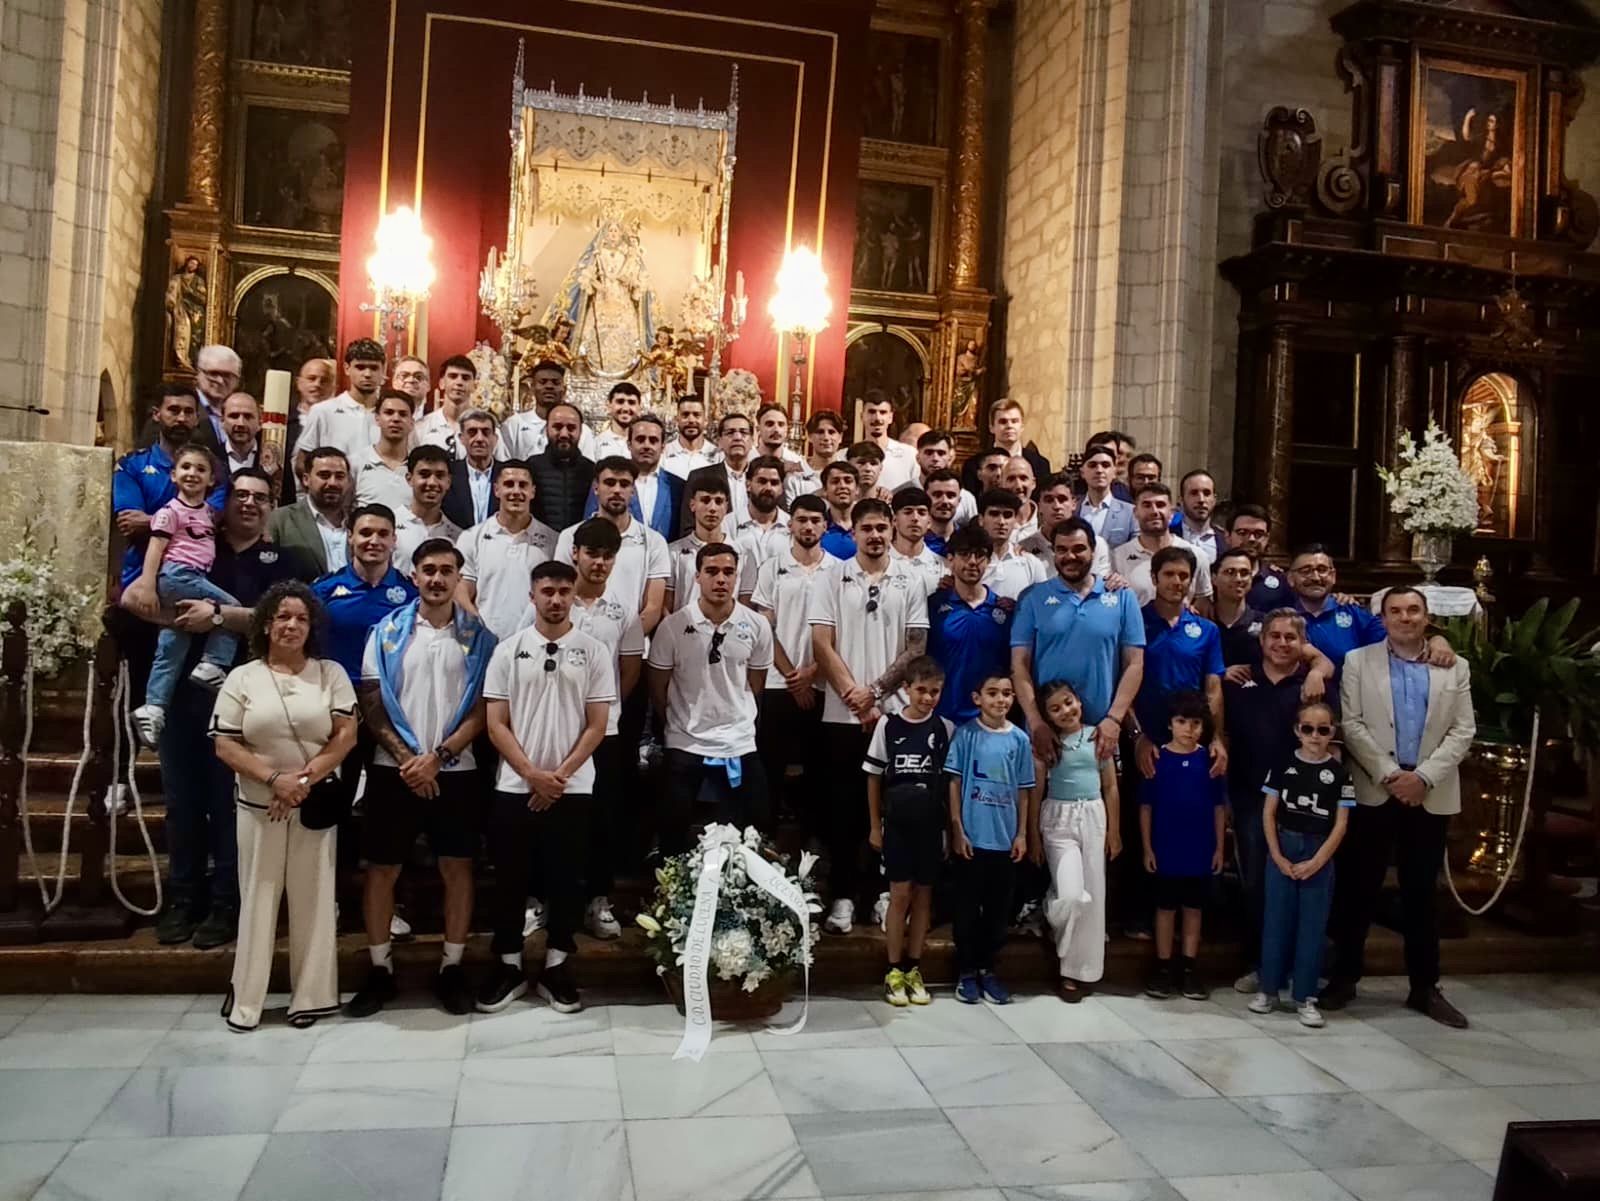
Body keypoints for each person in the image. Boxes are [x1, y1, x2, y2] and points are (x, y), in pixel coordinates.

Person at [154, 468, 307, 949]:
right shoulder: (198, 551)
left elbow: (283, 621)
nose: (248, 503)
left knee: (229, 806)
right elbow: (155, 595)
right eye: (239, 495)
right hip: (186, 693)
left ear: (270, 506)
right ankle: (182, 899)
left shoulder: (283, 560)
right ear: (224, 503)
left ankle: (225, 902)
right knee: (183, 803)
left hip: (252, 699)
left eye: (259, 497)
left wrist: (218, 616)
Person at [345, 538, 494, 1018]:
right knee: (382, 869)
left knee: (458, 867)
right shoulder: (386, 632)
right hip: (394, 772)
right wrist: (410, 759)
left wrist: (441, 756)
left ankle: (452, 967)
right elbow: (371, 701)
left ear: (458, 577)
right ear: (414, 576)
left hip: (459, 771)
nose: (436, 578)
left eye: (446, 570)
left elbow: (485, 707)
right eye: (428, 569)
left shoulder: (480, 637)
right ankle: (379, 968)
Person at [209, 581, 357, 1031]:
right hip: (259, 804)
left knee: (314, 898)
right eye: (282, 617)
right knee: (258, 896)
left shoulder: (329, 673)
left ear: (311, 627)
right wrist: (275, 780)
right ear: (266, 624)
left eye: (301, 618)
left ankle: (311, 995)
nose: (291, 625)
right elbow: (224, 743)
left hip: (312, 803)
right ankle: (248, 999)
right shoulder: (243, 677)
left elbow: (345, 736)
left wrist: (302, 782)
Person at [1326, 585, 1476, 1027]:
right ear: (1383, 618)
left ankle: (1424, 987)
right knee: (1359, 888)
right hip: (1378, 788)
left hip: (1429, 791)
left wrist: (1423, 777)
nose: (1404, 618)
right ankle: (1343, 978)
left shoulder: (1455, 667)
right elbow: (1351, 724)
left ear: (1426, 617)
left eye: (1413, 610)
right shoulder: (1358, 661)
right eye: (1395, 611)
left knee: (1420, 894)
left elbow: (1463, 731)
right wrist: (1390, 775)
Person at [479, 561, 613, 1014]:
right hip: (516, 784)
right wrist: (532, 773)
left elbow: (597, 725)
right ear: (532, 595)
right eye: (547, 591)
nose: (555, 599)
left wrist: (559, 776)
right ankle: (510, 964)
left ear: (574, 594)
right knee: (510, 879)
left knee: (566, 877)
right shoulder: (508, 650)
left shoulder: (593, 651)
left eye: (563, 591)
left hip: (573, 787)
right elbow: (496, 723)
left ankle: (557, 964)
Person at [811, 498, 930, 934]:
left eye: (883, 527)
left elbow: (915, 646)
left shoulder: (911, 579)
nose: (876, 535)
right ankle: (841, 895)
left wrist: (876, 694)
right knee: (843, 810)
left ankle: (883, 894)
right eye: (868, 528)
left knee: (893, 812)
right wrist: (854, 696)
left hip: (894, 715)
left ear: (893, 527)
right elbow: (822, 643)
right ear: (854, 532)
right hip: (841, 716)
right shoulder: (831, 576)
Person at [1223, 609, 1334, 994]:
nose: (1282, 643)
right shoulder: (1240, 681)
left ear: (1301, 643)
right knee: (1257, 884)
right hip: (1251, 797)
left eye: (1290, 637)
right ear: (1262, 640)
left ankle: (1300, 967)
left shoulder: (1313, 685)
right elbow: (1223, 734)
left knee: (1303, 884)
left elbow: (1329, 743)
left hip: (1304, 803)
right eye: (1275, 636)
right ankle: (1261, 964)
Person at [648, 542, 775, 851]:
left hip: (738, 740)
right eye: (712, 572)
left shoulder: (756, 625)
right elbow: (658, 687)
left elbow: (755, 683)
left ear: (737, 577)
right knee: (672, 828)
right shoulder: (672, 627)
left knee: (758, 827)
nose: (721, 579)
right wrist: (678, 724)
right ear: (697, 577)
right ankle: (669, 892)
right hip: (685, 739)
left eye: (728, 572)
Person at [123, 446, 240, 747]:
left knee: (173, 644)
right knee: (230, 609)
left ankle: (153, 707)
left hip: (194, 577)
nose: (192, 473)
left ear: (211, 480)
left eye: (200, 469)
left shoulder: (208, 514)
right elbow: (155, 549)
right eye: (186, 467)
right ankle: (213, 663)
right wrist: (148, 584)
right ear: (173, 475)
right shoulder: (169, 512)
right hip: (178, 575)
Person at [564, 519, 646, 940]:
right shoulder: (554, 599)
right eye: (591, 553)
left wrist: (604, 708)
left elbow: (629, 669)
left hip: (606, 733)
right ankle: (542, 898)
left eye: (607, 556)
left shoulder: (622, 609)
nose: (598, 563)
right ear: (574, 552)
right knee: (553, 819)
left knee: (602, 819)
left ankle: (598, 899)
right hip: (555, 731)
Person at [1249, 700, 1353, 1028]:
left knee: (1312, 927)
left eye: (1323, 730)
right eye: (1308, 728)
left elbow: (1341, 823)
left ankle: (1305, 995)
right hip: (1284, 845)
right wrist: (1277, 855)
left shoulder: (1339, 774)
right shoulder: (1282, 765)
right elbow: (1268, 812)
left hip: (1318, 852)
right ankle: (1268, 988)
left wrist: (1319, 860)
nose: (1314, 736)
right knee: (1276, 921)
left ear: (1332, 733)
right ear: (1297, 730)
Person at [1011, 518, 1144, 767]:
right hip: (1046, 737)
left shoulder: (1122, 597)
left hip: (1102, 734)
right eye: (1061, 550)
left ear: (1093, 550)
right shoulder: (1032, 598)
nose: (1070, 556)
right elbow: (1019, 666)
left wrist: (1114, 720)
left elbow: (1134, 664)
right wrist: (1036, 722)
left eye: (1078, 549)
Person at [864, 656, 951, 1008]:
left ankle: (915, 968)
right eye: (921, 690)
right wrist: (874, 825)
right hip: (897, 824)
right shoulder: (889, 725)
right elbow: (873, 777)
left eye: (934, 692)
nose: (928, 698)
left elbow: (950, 785)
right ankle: (894, 969)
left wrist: (951, 829)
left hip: (931, 825)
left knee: (924, 896)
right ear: (906, 689)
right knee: (899, 894)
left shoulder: (946, 728)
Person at [945, 671, 1034, 1005]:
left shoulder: (1020, 741)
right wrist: (958, 829)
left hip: (1005, 842)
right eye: (993, 693)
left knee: (998, 912)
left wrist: (1023, 833)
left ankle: (988, 969)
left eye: (1007, 693)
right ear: (976, 698)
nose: (1001, 700)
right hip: (972, 841)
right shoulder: (966, 736)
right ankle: (966, 971)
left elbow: (1025, 791)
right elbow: (954, 783)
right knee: (967, 909)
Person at [1031, 678, 1120, 1002]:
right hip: (1058, 818)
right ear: (1048, 717)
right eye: (1055, 709)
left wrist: (1114, 831)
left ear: (1079, 701)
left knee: (1093, 898)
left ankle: (1075, 972)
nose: (1065, 711)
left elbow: (1110, 787)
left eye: (1068, 702)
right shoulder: (1046, 745)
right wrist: (1033, 836)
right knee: (1071, 896)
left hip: (1094, 815)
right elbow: (1037, 790)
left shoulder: (1098, 736)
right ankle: (1048, 908)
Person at [752, 494, 835, 829]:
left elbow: (839, 629)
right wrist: (792, 676)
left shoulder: (839, 571)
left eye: (815, 520)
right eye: (802, 519)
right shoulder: (772, 567)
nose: (808, 526)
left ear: (825, 526)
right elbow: (764, 627)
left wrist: (812, 672)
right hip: (777, 682)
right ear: (791, 524)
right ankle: (764, 842)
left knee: (818, 769)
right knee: (769, 767)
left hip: (823, 684)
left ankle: (813, 845)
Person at [1139, 690, 1226, 1001]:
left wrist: (1219, 848)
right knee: (1165, 909)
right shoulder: (1158, 760)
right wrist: (1148, 848)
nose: (1189, 728)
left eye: (1195, 722)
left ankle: (1188, 968)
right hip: (1166, 848)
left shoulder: (1210, 761)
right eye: (1181, 721)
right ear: (1170, 724)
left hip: (1200, 848)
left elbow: (1218, 808)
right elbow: (1146, 808)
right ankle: (1163, 967)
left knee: (1193, 909)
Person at [1131, 547, 1227, 780]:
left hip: (1191, 739)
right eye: (1169, 574)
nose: (1177, 582)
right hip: (1147, 740)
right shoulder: (1133, 623)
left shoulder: (1207, 630)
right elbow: (1120, 684)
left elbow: (1213, 690)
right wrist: (1138, 736)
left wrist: (1216, 738)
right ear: (1154, 578)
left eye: (1183, 576)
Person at [557, 457, 669, 632]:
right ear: (596, 488)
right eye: (609, 483)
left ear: (633, 491)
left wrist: (626, 644)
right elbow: (562, 593)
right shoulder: (570, 536)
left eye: (624, 484)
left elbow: (653, 608)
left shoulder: (655, 542)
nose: (617, 490)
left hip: (630, 645)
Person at [457, 460, 556, 639]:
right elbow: (462, 592)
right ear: (496, 490)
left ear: (532, 491)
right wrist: (480, 631)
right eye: (509, 485)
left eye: (523, 485)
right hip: (486, 644)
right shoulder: (471, 537)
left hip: (536, 643)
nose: (516, 492)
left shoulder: (553, 541)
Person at [927, 524, 1012, 725]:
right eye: (965, 554)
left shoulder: (1005, 611)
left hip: (989, 721)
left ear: (989, 560)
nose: (973, 562)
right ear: (950, 559)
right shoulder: (932, 605)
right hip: (941, 718)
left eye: (980, 555)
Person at [1111, 482, 1214, 608]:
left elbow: (1203, 609)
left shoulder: (1197, 555)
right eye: (1147, 505)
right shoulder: (1117, 557)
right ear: (1135, 512)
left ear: (1171, 512)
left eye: (1160, 505)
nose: (1154, 511)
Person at [294, 338, 386, 469]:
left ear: (383, 370)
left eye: (374, 368)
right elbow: (302, 463)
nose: (367, 374)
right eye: (360, 367)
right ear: (347, 368)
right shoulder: (323, 411)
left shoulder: (391, 415)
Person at [666, 474, 754, 611]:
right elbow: (666, 605)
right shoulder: (672, 552)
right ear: (692, 504)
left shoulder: (744, 554)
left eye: (718, 501)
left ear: (726, 507)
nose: (712, 508)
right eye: (705, 500)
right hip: (684, 629)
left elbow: (745, 607)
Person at [268, 448, 351, 576]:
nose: (332, 483)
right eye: (324, 475)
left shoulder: (359, 523)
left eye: (340, 476)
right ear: (306, 479)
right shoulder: (280, 521)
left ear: (348, 481)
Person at [498, 360, 599, 461]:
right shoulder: (514, 424)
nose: (549, 386)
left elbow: (587, 467)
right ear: (532, 387)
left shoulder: (581, 430)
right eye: (543, 382)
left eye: (556, 383)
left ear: (564, 389)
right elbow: (504, 462)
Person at [393, 445, 463, 575]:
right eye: (424, 475)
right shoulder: (390, 526)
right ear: (409, 479)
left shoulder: (459, 537)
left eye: (440, 475)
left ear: (448, 482)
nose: (432, 482)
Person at [528, 402, 595, 532]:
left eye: (571, 428)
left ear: (580, 431)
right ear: (546, 429)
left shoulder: (591, 471)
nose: (564, 434)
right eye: (557, 427)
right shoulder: (531, 467)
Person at [960, 398, 1051, 493]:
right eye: (1003, 422)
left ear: (1022, 426)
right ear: (991, 427)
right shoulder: (973, 465)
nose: (1009, 426)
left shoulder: (1040, 464)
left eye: (1014, 421)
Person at [349, 391, 417, 512]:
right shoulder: (355, 463)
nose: (396, 419)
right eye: (389, 413)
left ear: (412, 422)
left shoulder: (419, 467)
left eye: (403, 414)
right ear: (377, 418)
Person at [976, 488, 1048, 601]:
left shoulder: (1031, 563)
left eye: (1007, 515)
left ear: (1015, 520)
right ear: (981, 520)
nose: (1001, 522)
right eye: (994, 514)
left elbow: (1042, 605)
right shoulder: (968, 564)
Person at [617, 413, 682, 537]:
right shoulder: (610, 482)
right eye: (640, 440)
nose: (647, 446)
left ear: (663, 446)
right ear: (629, 444)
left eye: (653, 440)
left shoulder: (677, 486)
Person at [444, 408, 503, 530]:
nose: (480, 439)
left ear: (495, 439)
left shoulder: (507, 475)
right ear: (461, 438)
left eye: (486, 432)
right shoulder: (448, 473)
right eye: (472, 432)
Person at [734, 456, 791, 574]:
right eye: (762, 481)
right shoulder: (728, 523)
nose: (768, 488)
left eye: (774, 483)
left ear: (781, 488)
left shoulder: (791, 526)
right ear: (748, 485)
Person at [1227, 505, 1290, 608]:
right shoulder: (1212, 578)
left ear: (1267, 538)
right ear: (1227, 536)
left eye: (1258, 534)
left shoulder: (1282, 581)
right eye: (1242, 533)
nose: (1251, 539)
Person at [909, 430, 978, 524]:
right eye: (929, 453)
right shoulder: (903, 491)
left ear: (950, 458)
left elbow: (972, 532)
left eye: (941, 453)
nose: (935, 459)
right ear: (918, 458)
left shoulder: (966, 498)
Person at [1077, 444, 1136, 549]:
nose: (1099, 470)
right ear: (1082, 472)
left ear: (1114, 472)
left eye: (1105, 465)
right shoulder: (1072, 509)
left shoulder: (1131, 513)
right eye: (1092, 465)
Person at [414, 354, 474, 455]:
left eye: (465, 378)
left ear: (474, 385)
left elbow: (502, 468)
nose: (459, 382)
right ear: (441, 383)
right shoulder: (421, 428)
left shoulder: (487, 428)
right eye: (453, 376)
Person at [888, 486, 944, 594]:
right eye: (908, 512)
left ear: (929, 522)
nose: (915, 518)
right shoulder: (877, 562)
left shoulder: (943, 567)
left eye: (921, 512)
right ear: (894, 520)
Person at [861, 389, 917, 490]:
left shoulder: (909, 455)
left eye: (883, 412)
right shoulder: (844, 455)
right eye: (871, 412)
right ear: (862, 416)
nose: (877, 418)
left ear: (890, 417)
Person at [786, 407, 845, 503]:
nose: (826, 437)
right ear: (809, 436)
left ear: (840, 437)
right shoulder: (794, 477)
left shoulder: (848, 475)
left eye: (831, 432)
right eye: (820, 432)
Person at [661, 394, 719, 480]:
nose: (691, 420)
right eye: (685, 415)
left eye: (696, 415)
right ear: (677, 420)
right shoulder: (664, 453)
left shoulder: (717, 455)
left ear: (705, 420)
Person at [1173, 470, 1224, 566]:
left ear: (1214, 499)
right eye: (1194, 493)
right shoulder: (1168, 536)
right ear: (1181, 499)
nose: (1201, 499)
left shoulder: (1226, 541)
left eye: (1207, 493)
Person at [219, 392, 275, 478]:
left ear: (260, 423)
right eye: (234, 416)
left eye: (248, 416)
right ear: (222, 421)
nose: (241, 423)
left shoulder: (276, 459)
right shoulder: (212, 458)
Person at [818, 461, 860, 560]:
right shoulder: (817, 527)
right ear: (824, 490)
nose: (842, 486)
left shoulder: (869, 526)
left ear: (857, 489)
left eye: (848, 481)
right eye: (835, 481)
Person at [923, 469, 966, 557]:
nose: (944, 501)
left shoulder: (968, 539)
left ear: (959, 501)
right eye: (937, 495)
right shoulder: (915, 539)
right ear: (925, 498)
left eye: (951, 496)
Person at [594, 381, 641, 459]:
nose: (625, 408)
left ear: (639, 408)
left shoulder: (645, 445)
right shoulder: (596, 443)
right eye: (620, 402)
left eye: (631, 402)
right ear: (609, 406)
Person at [1002, 457, 1039, 544]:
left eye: (1023, 478)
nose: (1018, 486)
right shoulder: (992, 523)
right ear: (1001, 484)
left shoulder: (1046, 521)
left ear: (1033, 483)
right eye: (1011, 479)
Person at [755, 403, 805, 467]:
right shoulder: (745, 461)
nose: (776, 429)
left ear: (787, 429)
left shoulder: (797, 463)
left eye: (781, 424)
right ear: (758, 429)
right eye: (770, 424)